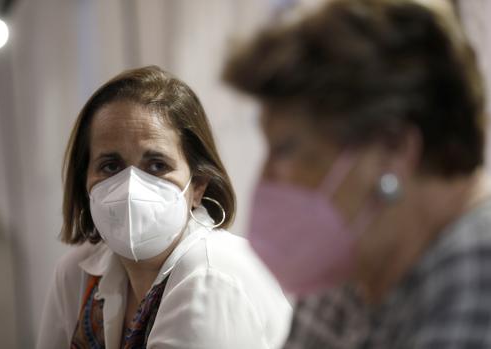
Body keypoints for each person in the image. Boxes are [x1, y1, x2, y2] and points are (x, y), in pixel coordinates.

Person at [223, 0, 491, 347]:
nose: (268, 179)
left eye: (287, 150)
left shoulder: (476, 269)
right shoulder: (355, 266)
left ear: (393, 148)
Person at [36, 66, 291, 349]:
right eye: (111, 166)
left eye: (157, 166)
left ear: (198, 186)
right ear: (85, 181)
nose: (130, 187)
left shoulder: (210, 278)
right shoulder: (78, 275)